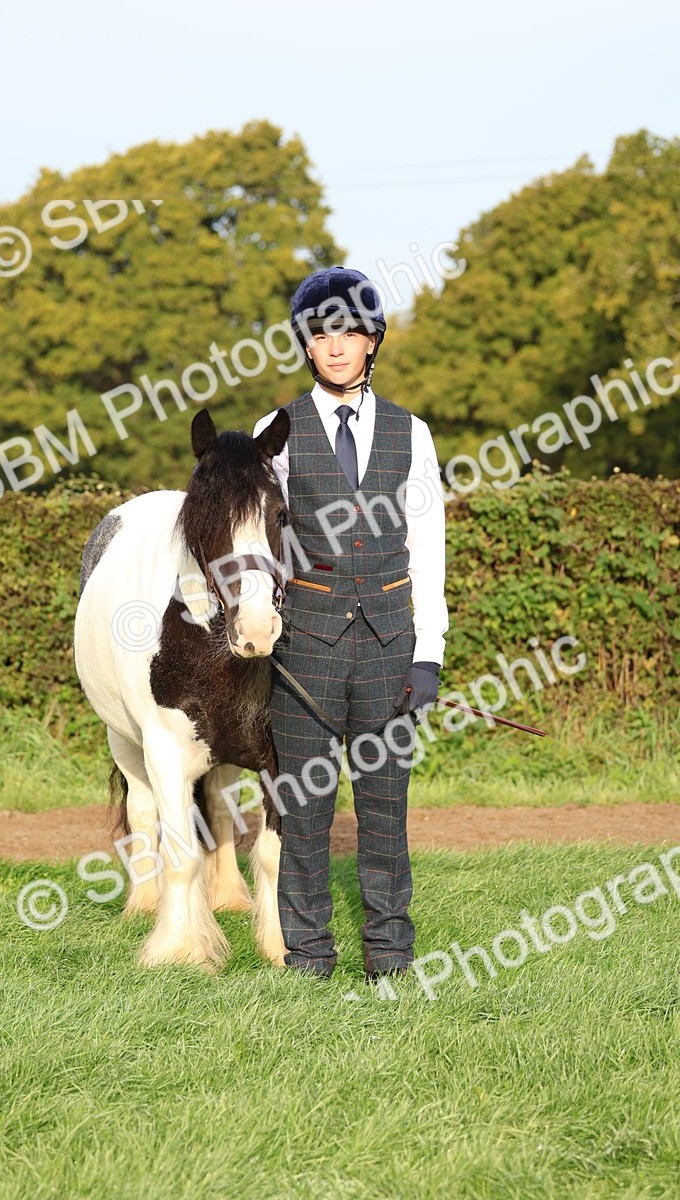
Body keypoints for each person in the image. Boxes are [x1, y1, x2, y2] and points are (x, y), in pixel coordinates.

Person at [253, 266, 448, 981]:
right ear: (306, 344)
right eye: (321, 333)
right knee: (303, 812)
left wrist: (427, 654)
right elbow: (257, 545)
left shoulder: (411, 431)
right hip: (305, 643)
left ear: (372, 340)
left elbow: (429, 548)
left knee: (385, 811)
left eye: (349, 332)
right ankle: (308, 958)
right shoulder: (272, 432)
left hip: (390, 644)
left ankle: (391, 956)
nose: (335, 347)